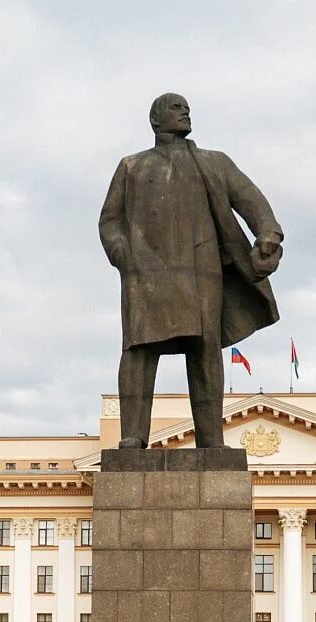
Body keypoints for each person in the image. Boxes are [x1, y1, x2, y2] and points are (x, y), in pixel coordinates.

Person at [99, 93, 284, 448]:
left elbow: (250, 198)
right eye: (175, 108)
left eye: (186, 108)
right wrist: (124, 255)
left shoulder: (213, 162)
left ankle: (211, 440)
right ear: (155, 120)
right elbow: (110, 221)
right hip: (146, 274)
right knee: (139, 350)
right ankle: (134, 436)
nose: (185, 112)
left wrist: (268, 233)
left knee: (205, 350)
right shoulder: (132, 166)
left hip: (203, 273)